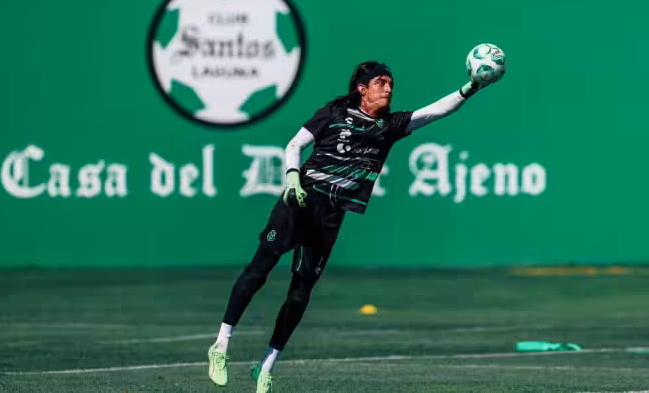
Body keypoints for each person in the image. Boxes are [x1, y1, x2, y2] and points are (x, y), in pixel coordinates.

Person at [207, 61, 492, 392]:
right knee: (260, 269)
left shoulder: (390, 125)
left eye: (391, 83)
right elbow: (294, 146)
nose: (388, 88)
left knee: (300, 292)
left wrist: (470, 87)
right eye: (381, 82)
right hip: (299, 201)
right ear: (363, 89)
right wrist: (292, 178)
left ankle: (267, 366)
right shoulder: (334, 111)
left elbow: (436, 112)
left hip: (330, 214)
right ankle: (221, 345)